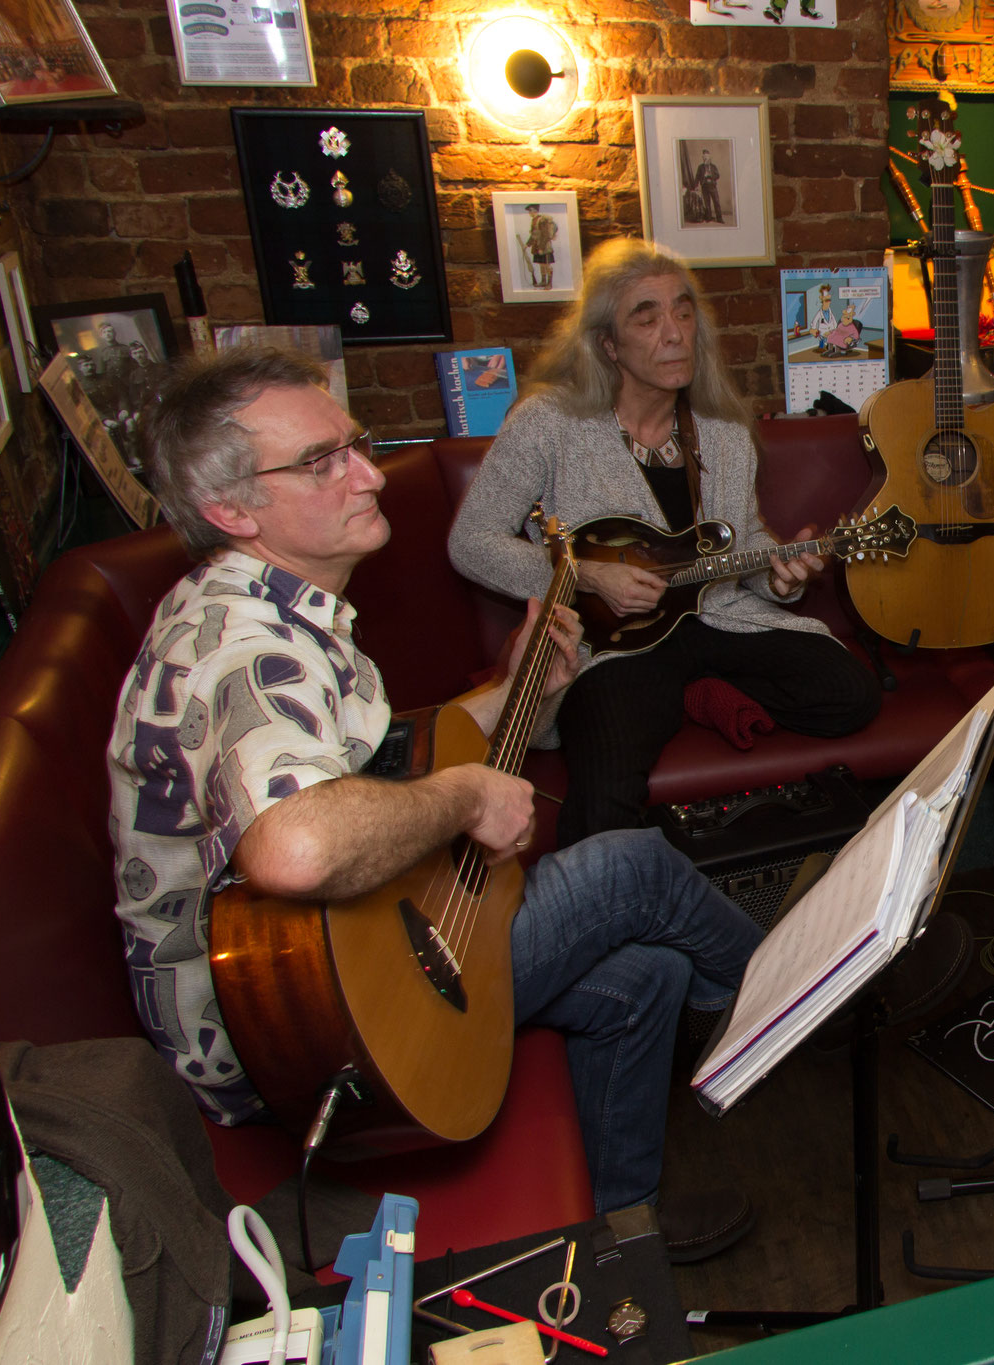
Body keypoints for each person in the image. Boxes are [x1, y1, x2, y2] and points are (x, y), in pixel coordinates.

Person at [109, 347, 766, 1256]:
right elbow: (295, 847)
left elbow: (378, 759)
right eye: (320, 461)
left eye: (358, 445)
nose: (369, 474)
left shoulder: (279, 609)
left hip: (341, 966)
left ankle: (622, 1223)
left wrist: (525, 687)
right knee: (630, 868)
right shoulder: (247, 652)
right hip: (297, 1037)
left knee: (644, 978)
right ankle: (790, 999)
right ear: (231, 510)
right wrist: (461, 794)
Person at [448, 238, 880, 847]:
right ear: (608, 344)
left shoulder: (724, 433)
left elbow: (743, 542)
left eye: (683, 310)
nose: (674, 331)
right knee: (603, 793)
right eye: (645, 317)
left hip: (717, 619)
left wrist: (779, 575)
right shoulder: (549, 423)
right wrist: (589, 575)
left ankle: (698, 691)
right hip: (615, 646)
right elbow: (471, 541)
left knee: (850, 695)